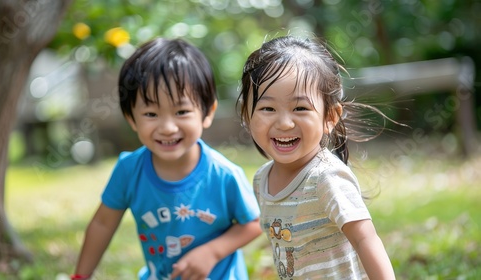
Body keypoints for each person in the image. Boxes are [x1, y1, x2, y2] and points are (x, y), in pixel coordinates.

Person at [72, 38, 262, 280]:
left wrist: (212, 252)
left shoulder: (223, 174)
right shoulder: (129, 170)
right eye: (151, 113)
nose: (168, 127)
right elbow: (103, 224)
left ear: (207, 113)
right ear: (131, 118)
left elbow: (255, 222)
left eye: (181, 112)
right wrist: (80, 277)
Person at [238, 35, 396, 279]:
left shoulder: (326, 178)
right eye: (267, 108)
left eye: (300, 108)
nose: (284, 123)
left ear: (330, 117)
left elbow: (366, 239)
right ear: (247, 116)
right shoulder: (262, 180)